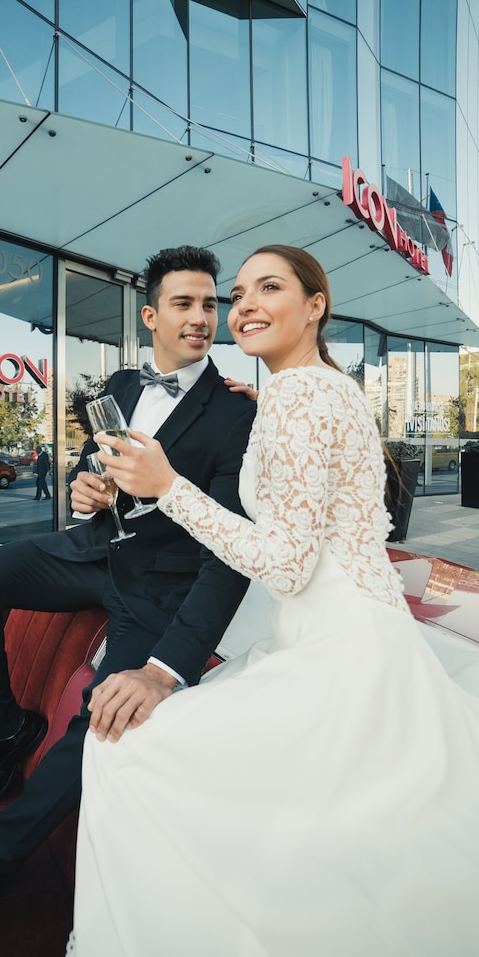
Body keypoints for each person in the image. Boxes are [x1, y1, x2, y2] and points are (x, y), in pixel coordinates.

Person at [68, 245, 479, 956]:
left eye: (269, 288)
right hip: (366, 642)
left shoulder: (298, 398)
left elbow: (286, 565)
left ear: (314, 305)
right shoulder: (318, 390)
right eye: (238, 294)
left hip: (336, 660)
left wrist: (168, 487)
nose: (245, 306)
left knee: (121, 753)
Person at [0, 245, 256, 957]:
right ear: (150, 316)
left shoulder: (236, 413)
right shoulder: (119, 384)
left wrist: (166, 668)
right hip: (92, 550)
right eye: (183, 304)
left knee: (105, 719)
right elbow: (96, 465)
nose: (200, 317)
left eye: (209, 304)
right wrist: (84, 486)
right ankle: (5, 731)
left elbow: (230, 550)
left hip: (161, 584)